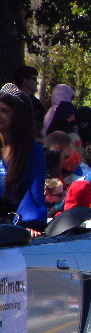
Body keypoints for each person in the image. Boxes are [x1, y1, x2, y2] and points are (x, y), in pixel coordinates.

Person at [0, 83, 47, 231]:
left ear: (19, 116)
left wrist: (30, 225)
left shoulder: (33, 152)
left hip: (16, 227)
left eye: (4, 111)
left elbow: (36, 195)